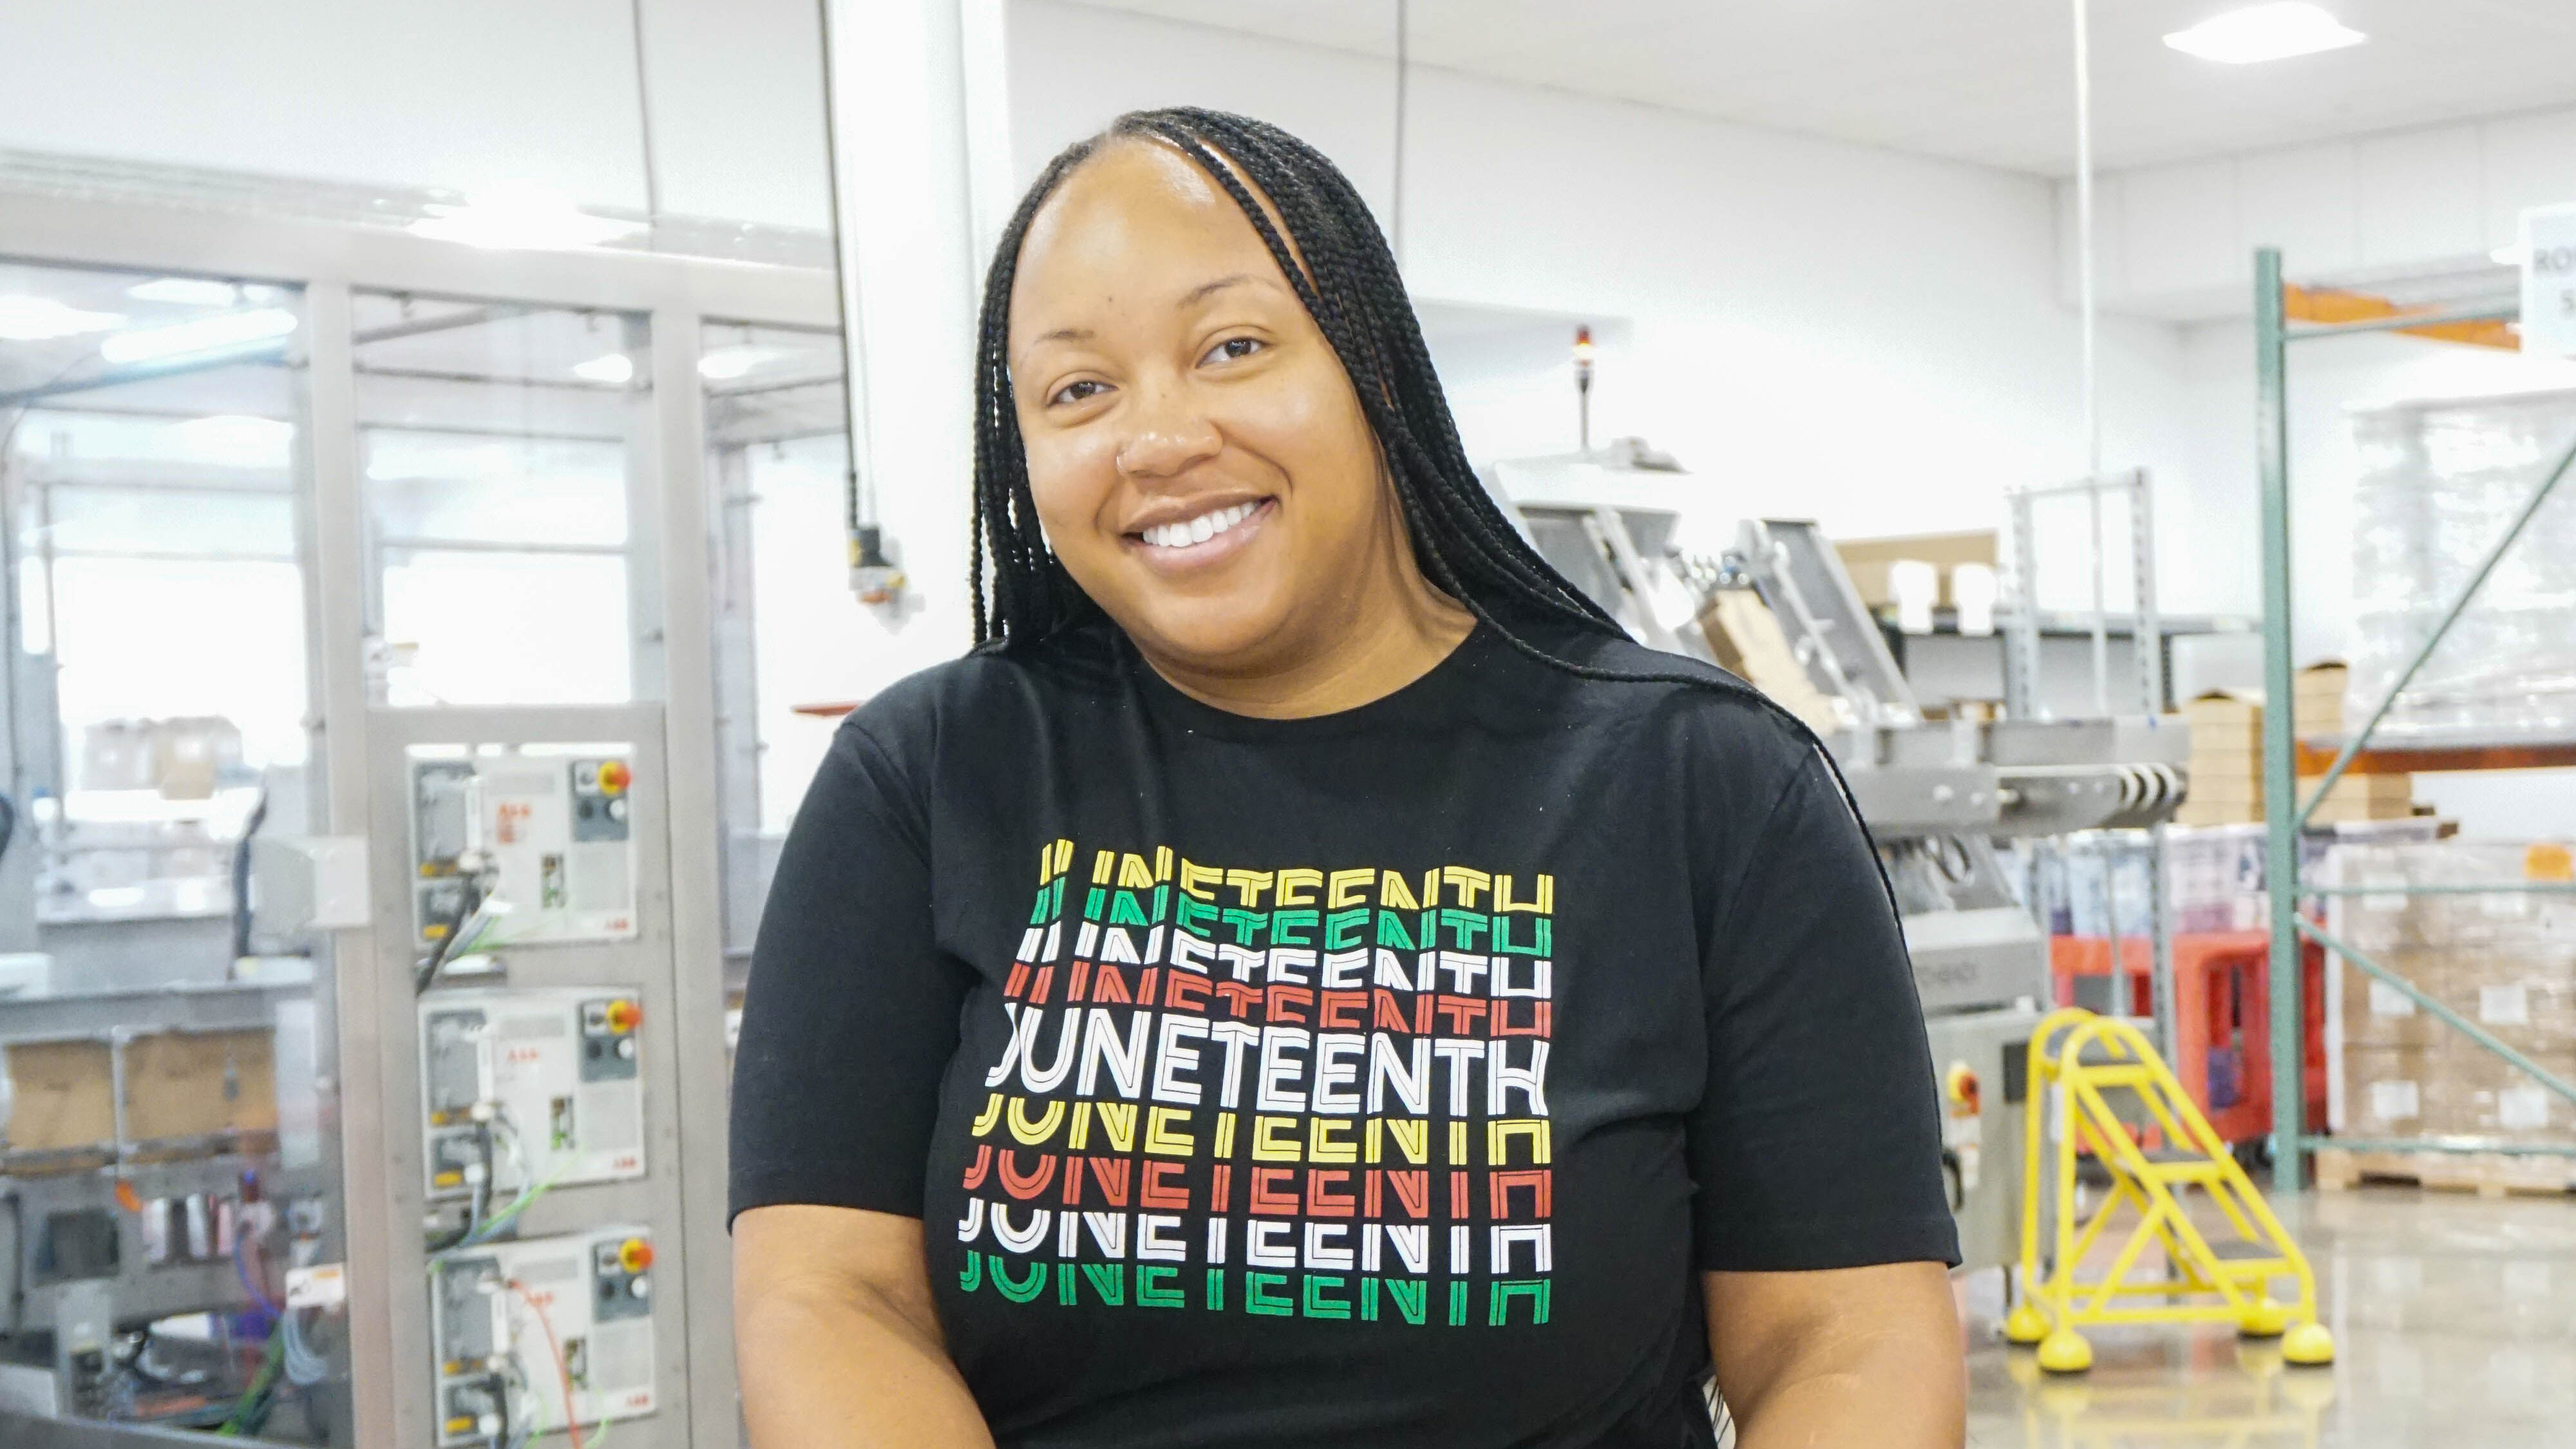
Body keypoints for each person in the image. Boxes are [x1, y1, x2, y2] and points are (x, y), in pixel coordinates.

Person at [728, 107, 1965, 1449]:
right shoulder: (928, 780)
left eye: (1232, 348)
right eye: (1078, 389)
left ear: (1370, 364)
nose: (1156, 437)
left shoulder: (1703, 787)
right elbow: (828, 1298)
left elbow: (1840, 1344)